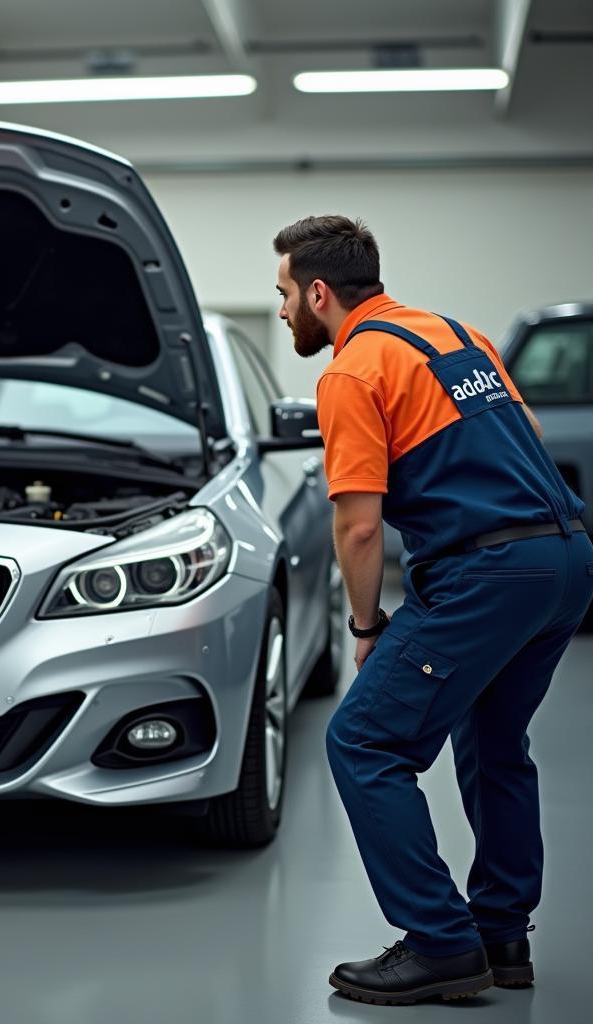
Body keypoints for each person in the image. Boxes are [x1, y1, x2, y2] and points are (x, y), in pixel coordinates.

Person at [273, 215, 593, 1005]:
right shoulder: (457, 335)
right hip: (565, 556)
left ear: (319, 292)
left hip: (485, 570)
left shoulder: (351, 371)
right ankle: (501, 937)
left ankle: (441, 944)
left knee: (364, 741)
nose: (281, 312)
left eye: (283, 294)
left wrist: (366, 627)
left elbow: (356, 524)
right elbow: (524, 440)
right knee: (493, 738)